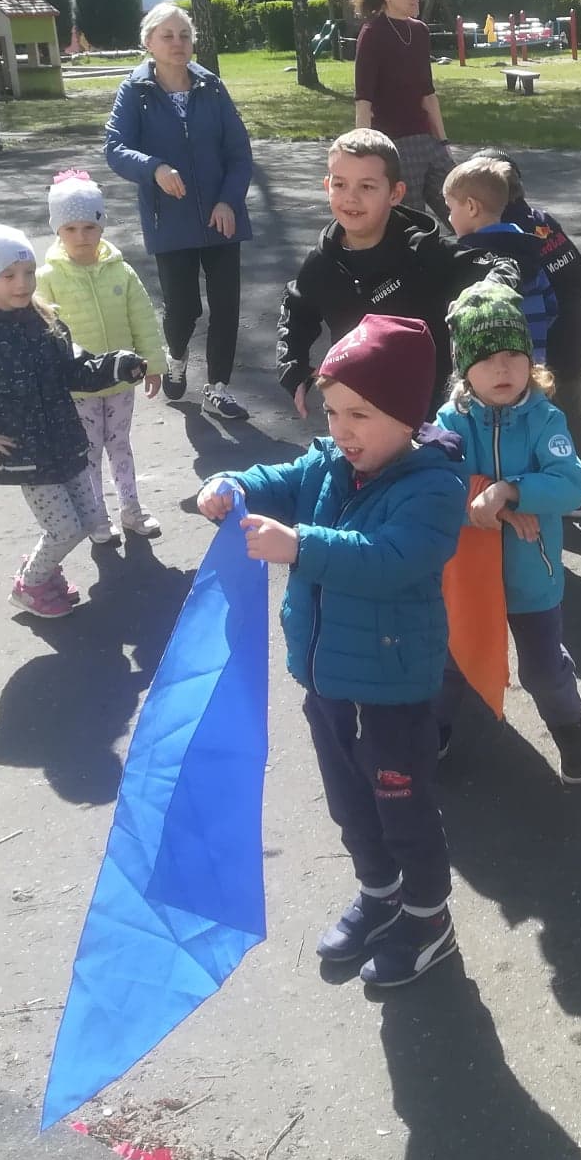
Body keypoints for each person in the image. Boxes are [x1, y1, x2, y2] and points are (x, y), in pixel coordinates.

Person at [196, 314, 467, 987]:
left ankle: (429, 917)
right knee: (350, 804)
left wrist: (300, 546)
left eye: (360, 415)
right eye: (333, 411)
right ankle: (380, 893)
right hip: (328, 681)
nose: (342, 429)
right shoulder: (329, 464)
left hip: (393, 689)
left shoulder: (433, 486)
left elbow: (392, 558)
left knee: (404, 812)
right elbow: (279, 480)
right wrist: (232, 487)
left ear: (407, 417)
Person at [0, 226, 147, 619]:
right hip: (26, 455)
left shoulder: (46, 323)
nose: (22, 284)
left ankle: (44, 569)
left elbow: (76, 369)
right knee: (65, 529)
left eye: (27, 272)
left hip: (65, 441)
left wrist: (117, 366)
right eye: (8, 275)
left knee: (91, 520)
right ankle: (30, 585)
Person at [434, 279, 581, 784]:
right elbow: (434, 487)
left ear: (531, 359)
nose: (502, 368)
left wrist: (512, 490)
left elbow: (573, 483)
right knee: (451, 660)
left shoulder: (545, 419)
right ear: (465, 367)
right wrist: (494, 507)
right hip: (467, 575)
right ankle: (433, 731)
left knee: (543, 671)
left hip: (533, 578)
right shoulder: (451, 421)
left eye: (513, 354)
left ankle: (572, 734)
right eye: (486, 358)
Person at [276, 130, 519, 421]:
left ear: (395, 193)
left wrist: (485, 295)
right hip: (358, 419)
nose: (351, 197)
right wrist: (294, 369)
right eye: (340, 184)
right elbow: (296, 309)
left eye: (367, 186)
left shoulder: (425, 254)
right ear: (327, 185)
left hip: (430, 421)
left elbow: (501, 265)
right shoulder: (322, 263)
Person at [103, 2, 254, 421]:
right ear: (148, 43)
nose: (178, 43)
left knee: (225, 306)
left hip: (223, 216)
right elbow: (115, 148)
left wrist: (228, 200)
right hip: (169, 218)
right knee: (183, 308)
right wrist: (154, 168)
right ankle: (177, 354)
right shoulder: (135, 92)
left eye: (184, 35)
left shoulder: (212, 87)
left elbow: (239, 152)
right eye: (167, 36)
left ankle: (218, 388)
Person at [468, 149, 581, 515]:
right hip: (572, 327)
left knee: (546, 414)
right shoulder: (541, 221)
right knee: (569, 409)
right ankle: (577, 490)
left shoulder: (504, 237)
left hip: (544, 336)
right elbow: (579, 267)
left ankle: (568, 490)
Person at [38, 170, 167, 545]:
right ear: (58, 230)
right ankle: (96, 516)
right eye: (71, 228)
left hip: (121, 380)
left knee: (120, 444)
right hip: (78, 387)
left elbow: (142, 318)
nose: (81, 236)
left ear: (101, 225)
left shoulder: (121, 271)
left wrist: (153, 364)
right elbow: (42, 333)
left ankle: (131, 508)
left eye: (89, 227)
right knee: (89, 452)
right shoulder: (48, 277)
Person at [353, 0, 452, 218]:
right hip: (395, 147)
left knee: (464, 209)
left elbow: (428, 95)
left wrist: (443, 142)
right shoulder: (372, 35)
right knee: (412, 224)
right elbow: (363, 102)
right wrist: (364, 156)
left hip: (428, 143)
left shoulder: (420, 31)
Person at [442, 159, 556, 366]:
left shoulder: (466, 260)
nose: (449, 218)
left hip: (487, 369)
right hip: (532, 364)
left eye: (450, 208)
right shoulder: (528, 248)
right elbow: (551, 306)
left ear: (471, 207)